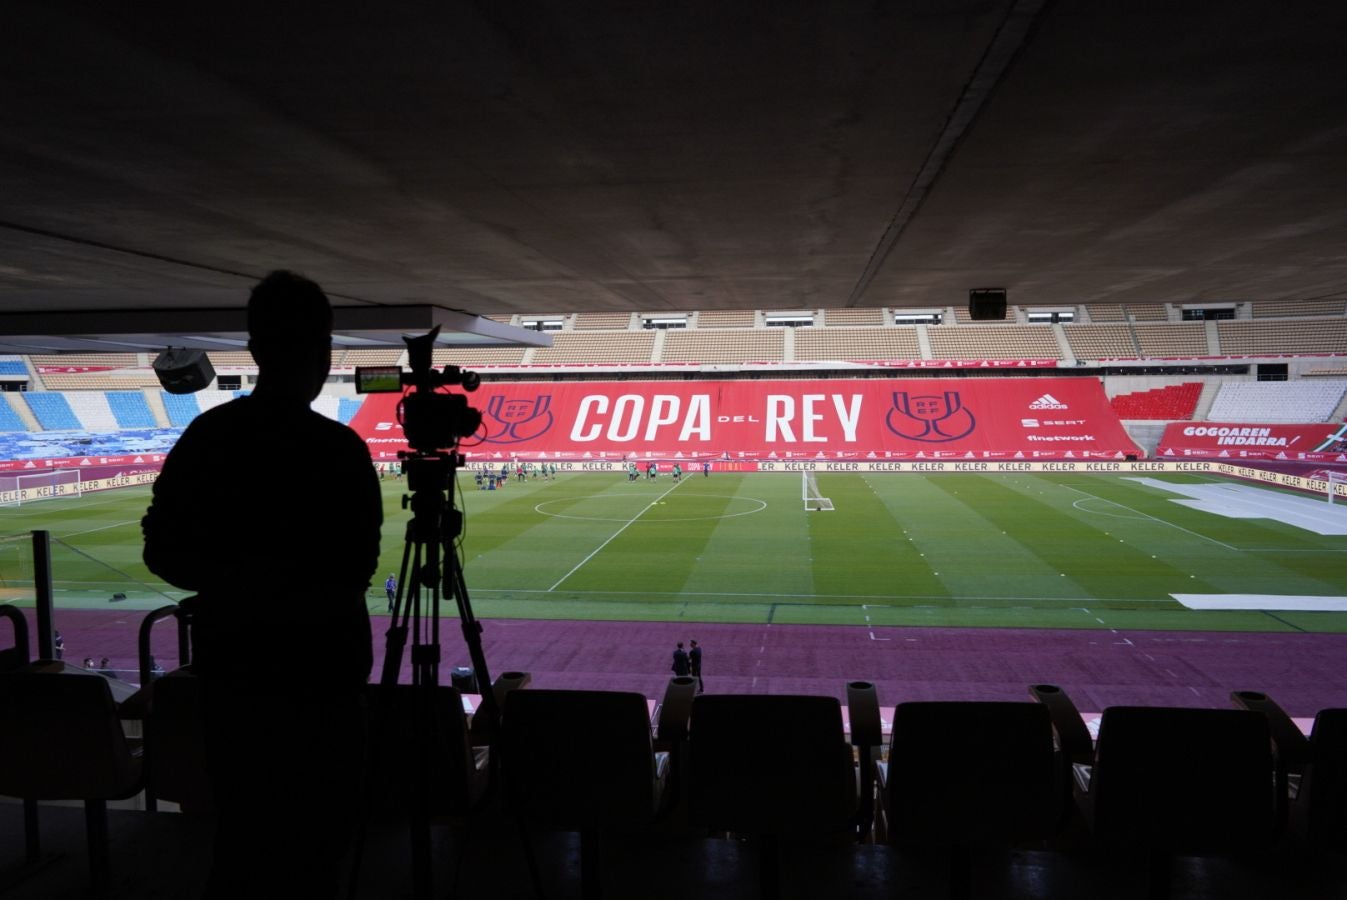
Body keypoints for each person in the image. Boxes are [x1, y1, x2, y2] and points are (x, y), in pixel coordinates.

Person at [142, 270, 382, 898]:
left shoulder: (208, 438)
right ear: (324, 352)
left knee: (243, 840)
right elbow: (357, 569)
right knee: (318, 850)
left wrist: (235, 587)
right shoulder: (337, 450)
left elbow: (162, 548)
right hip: (323, 682)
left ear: (254, 349)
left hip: (235, 680)